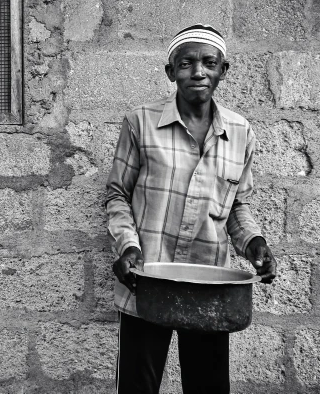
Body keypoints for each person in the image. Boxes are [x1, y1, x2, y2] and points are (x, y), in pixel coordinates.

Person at [105, 24, 277, 394]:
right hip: (146, 280)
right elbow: (117, 194)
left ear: (222, 70)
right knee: (138, 386)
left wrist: (254, 243)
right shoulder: (140, 123)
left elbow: (236, 205)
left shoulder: (241, 132)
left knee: (208, 386)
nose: (198, 72)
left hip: (208, 287)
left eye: (209, 63)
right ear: (171, 72)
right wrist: (127, 247)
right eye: (186, 64)